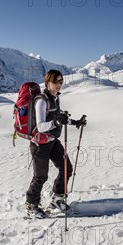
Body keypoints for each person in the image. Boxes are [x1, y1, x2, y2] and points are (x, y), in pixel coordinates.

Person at [26, 69, 87, 219]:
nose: (59, 85)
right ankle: (31, 205)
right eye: (55, 82)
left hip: (53, 141)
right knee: (40, 176)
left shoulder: (55, 98)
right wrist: (56, 122)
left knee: (66, 168)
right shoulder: (41, 100)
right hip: (40, 144)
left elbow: (59, 119)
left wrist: (75, 122)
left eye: (61, 81)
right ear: (48, 83)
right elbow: (40, 126)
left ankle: (57, 199)